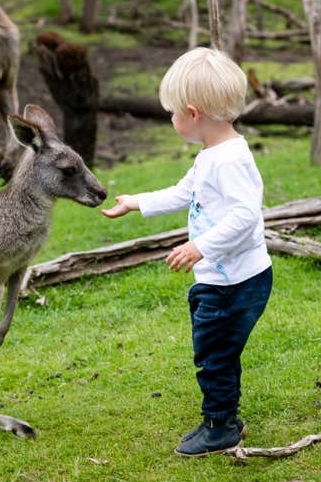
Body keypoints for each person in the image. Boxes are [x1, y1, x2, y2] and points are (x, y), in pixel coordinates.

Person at [101, 47, 273, 457]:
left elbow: (246, 216)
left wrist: (200, 246)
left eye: (172, 113)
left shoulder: (228, 161)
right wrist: (137, 201)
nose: (171, 119)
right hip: (224, 278)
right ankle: (226, 416)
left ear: (193, 114)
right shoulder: (213, 155)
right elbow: (184, 192)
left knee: (213, 354)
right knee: (218, 349)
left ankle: (220, 427)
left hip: (234, 282)